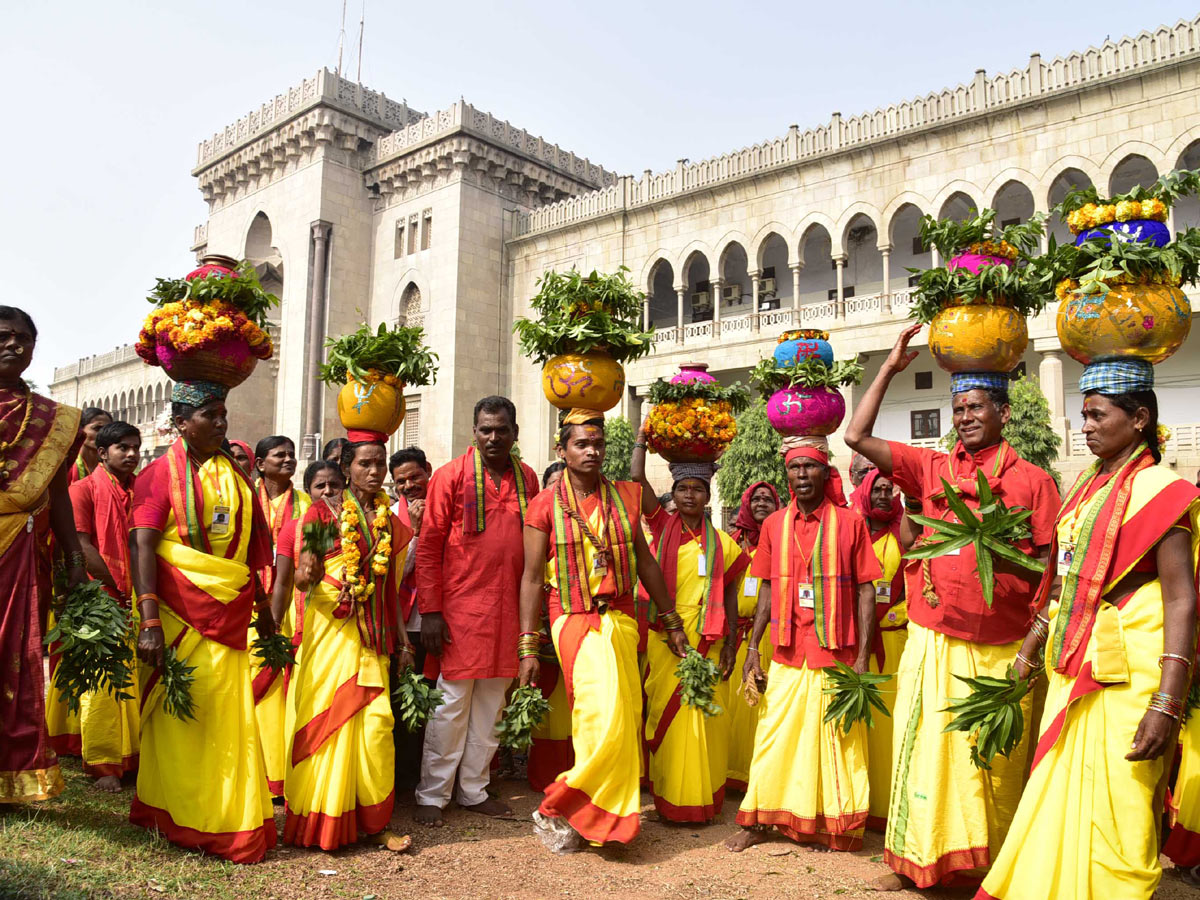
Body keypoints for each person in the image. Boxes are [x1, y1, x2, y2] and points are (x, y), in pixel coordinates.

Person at [844, 324, 1060, 891]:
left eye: (976, 406)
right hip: (934, 638)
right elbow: (856, 435)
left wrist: (991, 552)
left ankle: (990, 868)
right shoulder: (934, 469)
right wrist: (889, 366)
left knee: (988, 764)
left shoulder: (1035, 483)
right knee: (925, 755)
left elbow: (1049, 571)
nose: (964, 416)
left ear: (1004, 413)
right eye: (957, 407)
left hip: (1002, 647)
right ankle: (916, 859)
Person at [978, 362, 1200, 899]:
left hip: (1132, 668)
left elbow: (1182, 597)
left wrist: (1167, 703)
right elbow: (1064, 583)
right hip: (1075, 657)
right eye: (1084, 416)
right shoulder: (1084, 488)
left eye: (1099, 415)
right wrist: (1030, 651)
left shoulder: (1162, 490)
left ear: (1140, 418)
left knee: (1122, 802)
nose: (1087, 426)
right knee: (1060, 791)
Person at [519, 410, 689, 848]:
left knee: (623, 715)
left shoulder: (627, 496)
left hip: (622, 618)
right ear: (562, 451)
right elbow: (533, 578)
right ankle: (560, 805)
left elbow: (646, 563)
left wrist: (670, 619)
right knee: (602, 714)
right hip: (573, 618)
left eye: (598, 444)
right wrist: (528, 647)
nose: (592, 451)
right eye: (581, 444)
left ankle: (598, 819)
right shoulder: (544, 504)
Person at [129, 381, 277, 862]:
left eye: (223, 414)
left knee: (225, 715)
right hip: (175, 616)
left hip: (229, 612)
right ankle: (173, 810)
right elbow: (143, 547)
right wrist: (150, 620)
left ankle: (225, 816)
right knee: (181, 718)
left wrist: (266, 616)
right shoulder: (156, 475)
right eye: (209, 415)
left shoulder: (234, 476)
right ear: (181, 422)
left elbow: (251, 549)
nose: (220, 423)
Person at [725, 441, 881, 852]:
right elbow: (765, 590)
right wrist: (753, 648)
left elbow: (867, 591)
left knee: (836, 742)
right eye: (795, 469)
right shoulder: (774, 525)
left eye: (809, 468)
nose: (801, 476)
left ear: (824, 472)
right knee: (775, 738)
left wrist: (863, 657)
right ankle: (760, 820)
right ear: (788, 476)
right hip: (788, 651)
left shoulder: (850, 522)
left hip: (837, 650)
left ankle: (834, 826)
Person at [285, 434, 414, 852]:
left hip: (374, 637)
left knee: (377, 728)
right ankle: (322, 822)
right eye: (365, 465)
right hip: (333, 634)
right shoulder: (323, 516)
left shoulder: (387, 520)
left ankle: (375, 823)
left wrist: (404, 641)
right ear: (345, 468)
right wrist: (311, 572)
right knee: (331, 723)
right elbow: (305, 575)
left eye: (380, 464)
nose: (375, 472)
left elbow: (390, 585)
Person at [414, 396, 539, 826]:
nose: (493, 437)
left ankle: (473, 789)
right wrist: (430, 610)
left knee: (491, 708)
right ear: (474, 432)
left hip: (509, 612)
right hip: (460, 610)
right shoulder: (450, 476)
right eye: (485, 429)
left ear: (515, 434)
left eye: (501, 429)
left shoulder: (528, 478)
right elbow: (428, 546)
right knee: (450, 707)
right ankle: (433, 793)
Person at [631, 429, 748, 823]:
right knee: (668, 716)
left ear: (708, 496)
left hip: (710, 638)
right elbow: (637, 480)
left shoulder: (725, 544)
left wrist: (730, 641)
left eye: (698, 489)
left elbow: (731, 596)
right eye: (683, 488)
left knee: (705, 721)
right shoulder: (662, 528)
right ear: (675, 492)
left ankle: (703, 800)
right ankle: (670, 799)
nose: (689, 496)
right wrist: (642, 440)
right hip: (667, 638)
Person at [0, 306, 87, 804]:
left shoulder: (55, 420)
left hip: (20, 549)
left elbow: (58, 495)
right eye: (4, 337)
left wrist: (74, 562)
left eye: (23, 339)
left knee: (15, 659)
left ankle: (13, 777)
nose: (14, 345)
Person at [60, 421, 142, 791]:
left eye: (135, 447)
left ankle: (135, 755)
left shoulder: (141, 490)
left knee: (135, 678)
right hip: (99, 596)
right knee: (101, 684)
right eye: (122, 448)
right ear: (103, 452)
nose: (130, 454)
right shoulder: (83, 489)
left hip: (139, 596)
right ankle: (102, 762)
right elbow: (81, 545)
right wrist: (115, 584)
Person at [849, 466, 912, 830]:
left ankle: (885, 806)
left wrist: (896, 615)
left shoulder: (903, 533)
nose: (884, 496)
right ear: (865, 493)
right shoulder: (853, 532)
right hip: (854, 640)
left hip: (891, 640)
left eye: (889, 489)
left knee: (888, 722)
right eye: (877, 490)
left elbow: (919, 581)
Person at [250, 435, 309, 798]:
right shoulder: (243, 499)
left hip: (290, 607)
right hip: (247, 604)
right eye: (279, 455)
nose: (288, 460)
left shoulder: (305, 505)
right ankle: (251, 769)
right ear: (260, 463)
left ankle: (277, 775)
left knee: (282, 691)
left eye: (291, 455)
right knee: (250, 683)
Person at [725, 480, 781, 793]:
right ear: (747, 504)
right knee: (737, 706)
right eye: (756, 499)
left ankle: (763, 772)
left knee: (765, 701)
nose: (761, 503)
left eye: (768, 500)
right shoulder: (735, 541)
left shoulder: (781, 538)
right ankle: (735, 772)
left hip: (769, 633)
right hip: (738, 631)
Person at [527, 458, 575, 793]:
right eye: (553, 484)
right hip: (540, 631)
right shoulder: (535, 527)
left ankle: (573, 774)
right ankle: (540, 774)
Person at [389, 445, 433, 790]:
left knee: (436, 701)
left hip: (440, 621)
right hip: (405, 626)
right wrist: (416, 533)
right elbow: (396, 573)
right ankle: (404, 778)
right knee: (405, 702)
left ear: (428, 471)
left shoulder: (446, 506)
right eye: (401, 481)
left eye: (414, 477)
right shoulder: (388, 516)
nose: (408, 486)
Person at [71, 407, 113, 484]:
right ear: (80, 430)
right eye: (97, 428)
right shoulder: (68, 467)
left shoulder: (113, 470)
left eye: (107, 430)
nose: (102, 434)